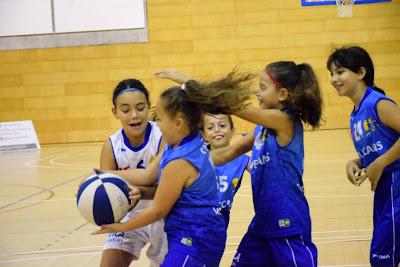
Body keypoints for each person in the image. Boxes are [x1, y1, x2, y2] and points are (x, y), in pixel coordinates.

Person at [92, 71, 255, 267]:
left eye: (160, 119)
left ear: (178, 123)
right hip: (187, 232)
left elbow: (158, 211)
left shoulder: (180, 161)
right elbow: (147, 174)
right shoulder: (176, 145)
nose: (157, 125)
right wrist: (102, 174)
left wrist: (120, 226)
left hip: (197, 236)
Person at [327, 46, 400, 267]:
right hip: (384, 189)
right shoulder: (355, 114)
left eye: (340, 72)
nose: (333, 79)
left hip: (396, 183)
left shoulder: (378, 103)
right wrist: (356, 162)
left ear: (361, 72)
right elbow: (380, 145)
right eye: (331, 73)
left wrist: (382, 162)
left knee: (381, 257)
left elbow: (383, 156)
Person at [99, 78, 167, 267]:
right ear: (115, 111)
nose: (134, 115)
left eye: (140, 107)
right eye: (126, 110)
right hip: (128, 215)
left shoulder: (163, 136)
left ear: (148, 107)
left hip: (164, 215)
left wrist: (99, 174)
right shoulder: (111, 146)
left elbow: (168, 188)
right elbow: (105, 191)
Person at [202, 113, 249, 225]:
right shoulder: (197, 158)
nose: (217, 130)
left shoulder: (242, 159)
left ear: (233, 131)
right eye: (210, 127)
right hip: (193, 222)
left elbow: (264, 170)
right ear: (203, 135)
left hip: (219, 223)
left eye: (222, 125)